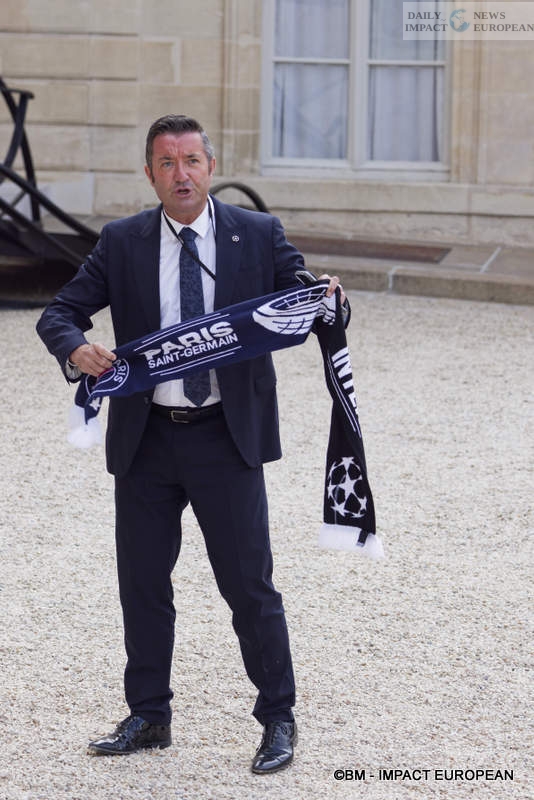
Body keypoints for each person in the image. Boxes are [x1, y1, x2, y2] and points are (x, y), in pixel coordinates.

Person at [36, 115, 343, 774]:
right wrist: (77, 348)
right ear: (150, 173)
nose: (181, 174)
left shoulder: (254, 235)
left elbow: (304, 297)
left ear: (210, 166)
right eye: (167, 163)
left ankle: (278, 718)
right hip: (146, 443)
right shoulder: (121, 242)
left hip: (225, 441)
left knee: (249, 589)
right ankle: (149, 715)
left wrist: (329, 301)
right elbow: (57, 313)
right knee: (143, 586)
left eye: (191, 161)